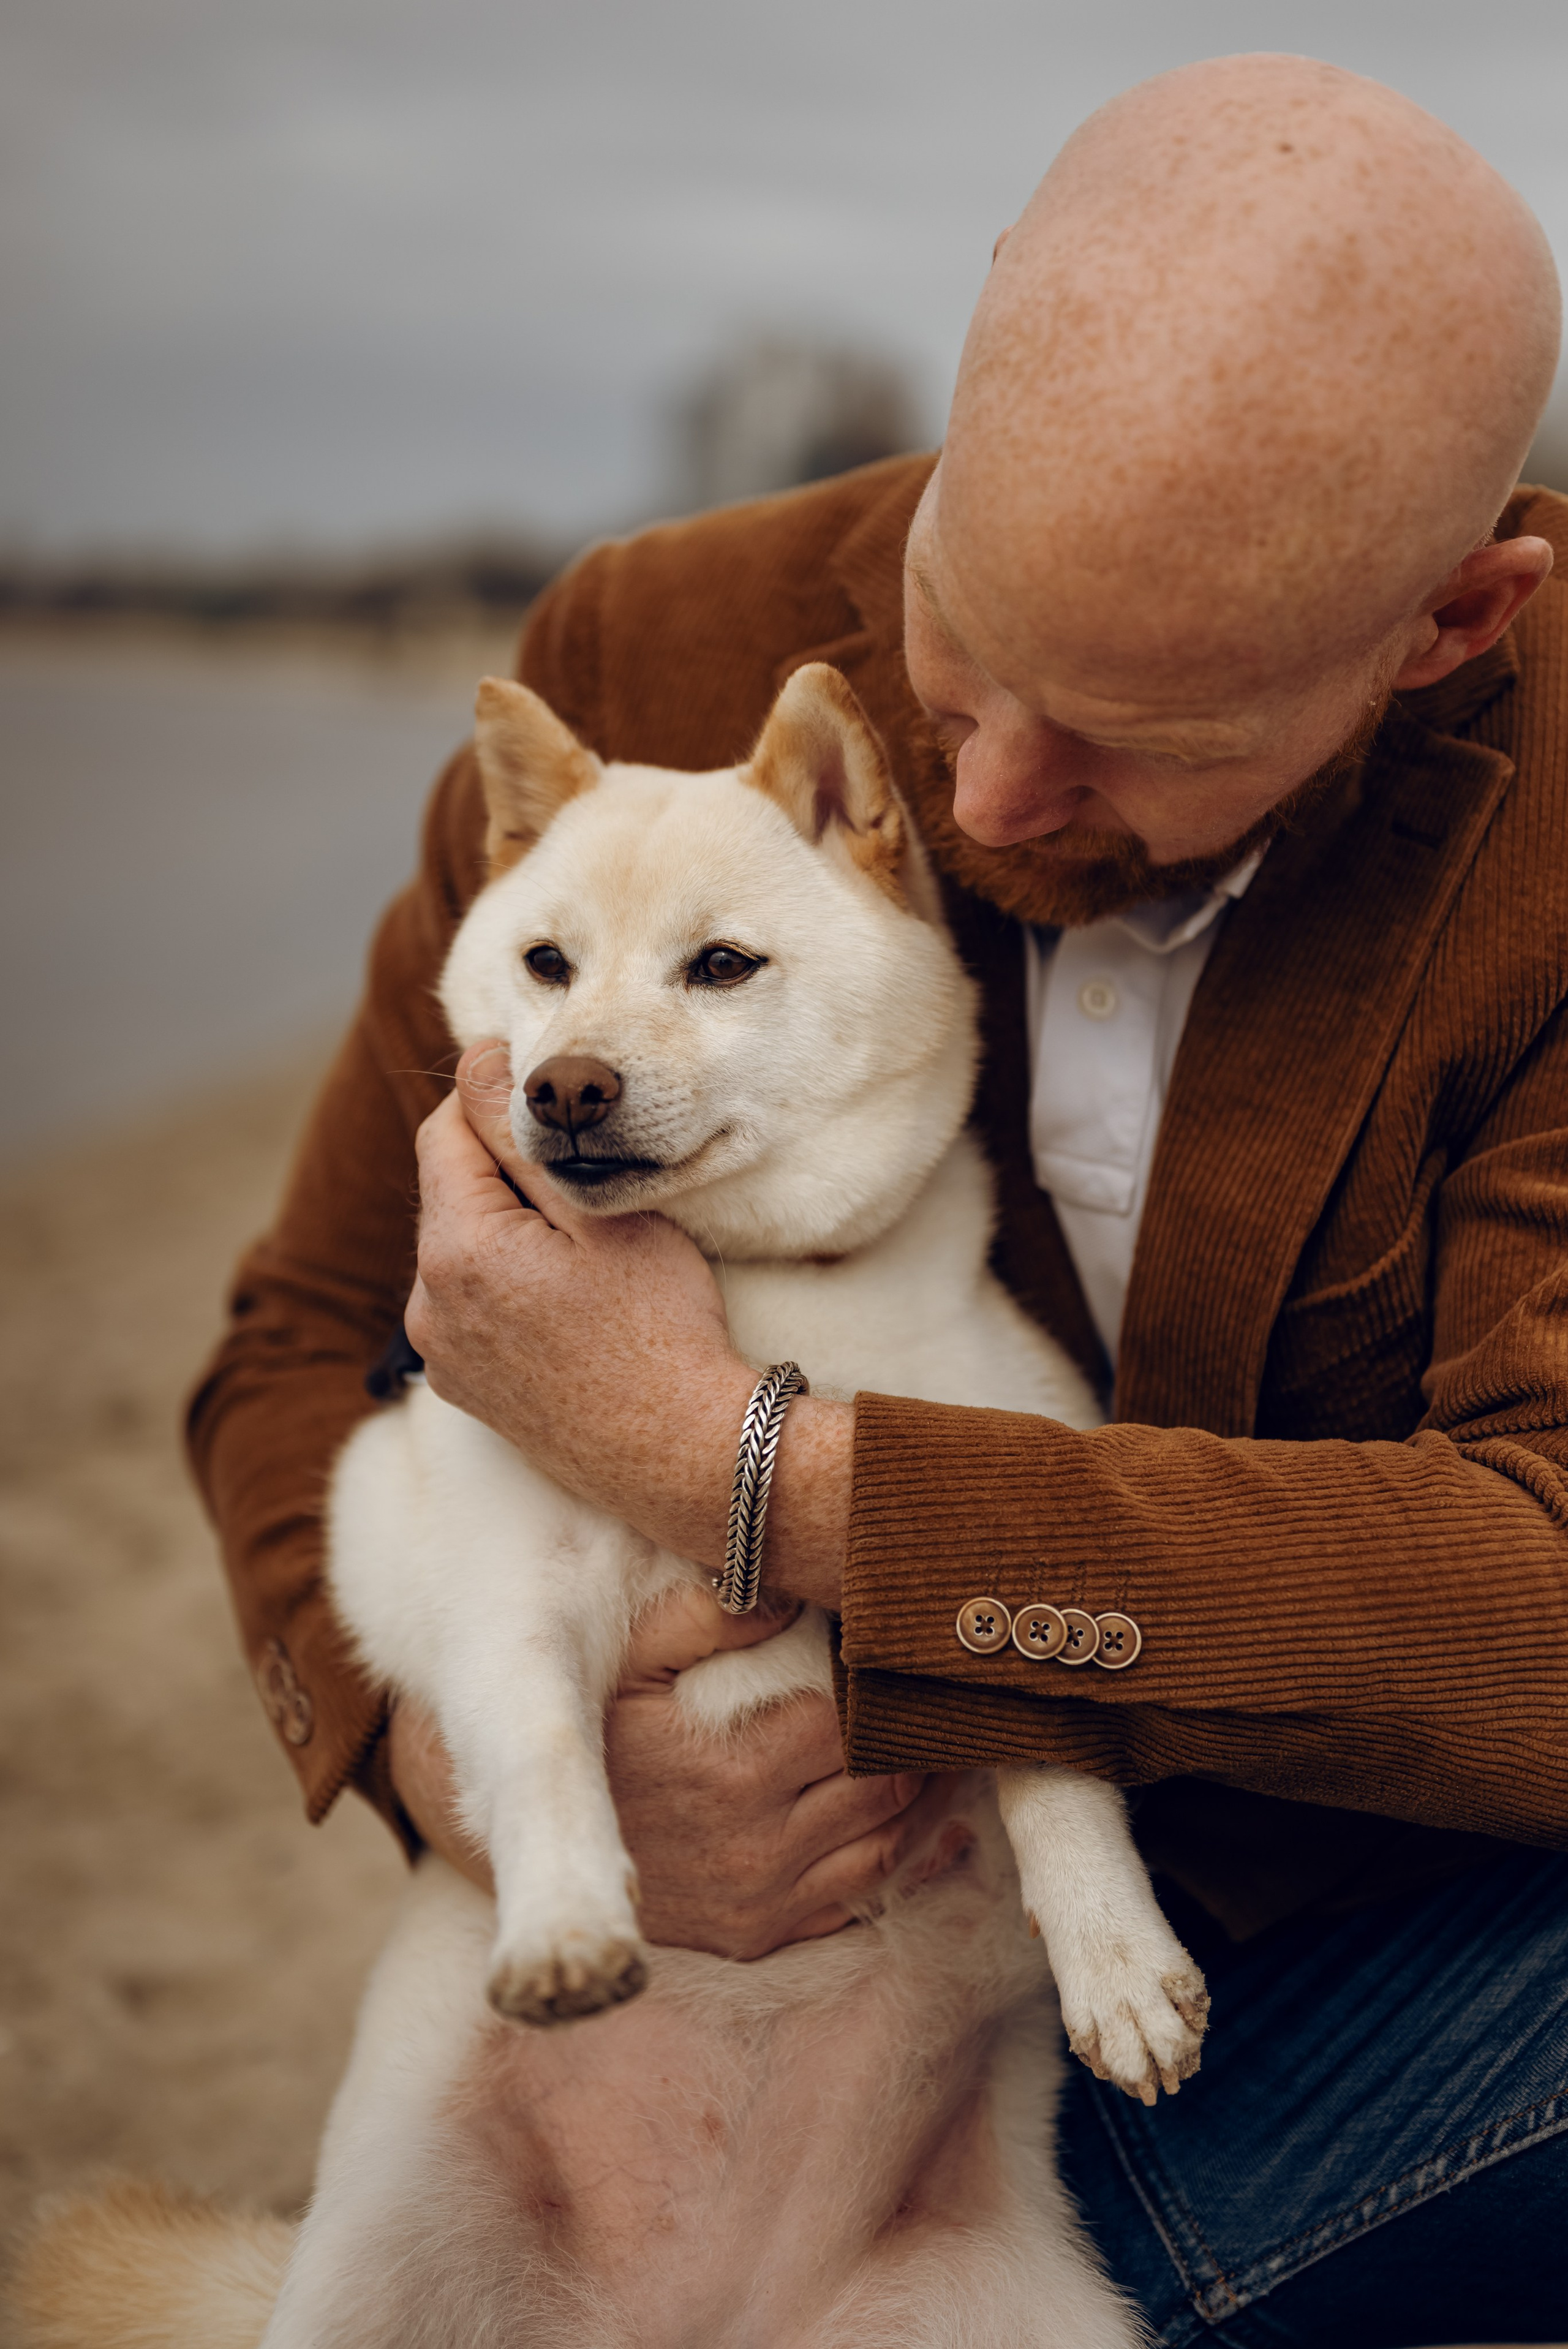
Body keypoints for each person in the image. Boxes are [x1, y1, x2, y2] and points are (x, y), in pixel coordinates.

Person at [189, 53, 1568, 2345]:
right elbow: (299, 1337)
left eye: (1141, 724)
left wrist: (752, 1470)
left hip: (1326, 1950)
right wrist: (487, 1776)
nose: (985, 789)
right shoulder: (639, 647)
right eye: (962, 638)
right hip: (684, 1983)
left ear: (1447, 624)